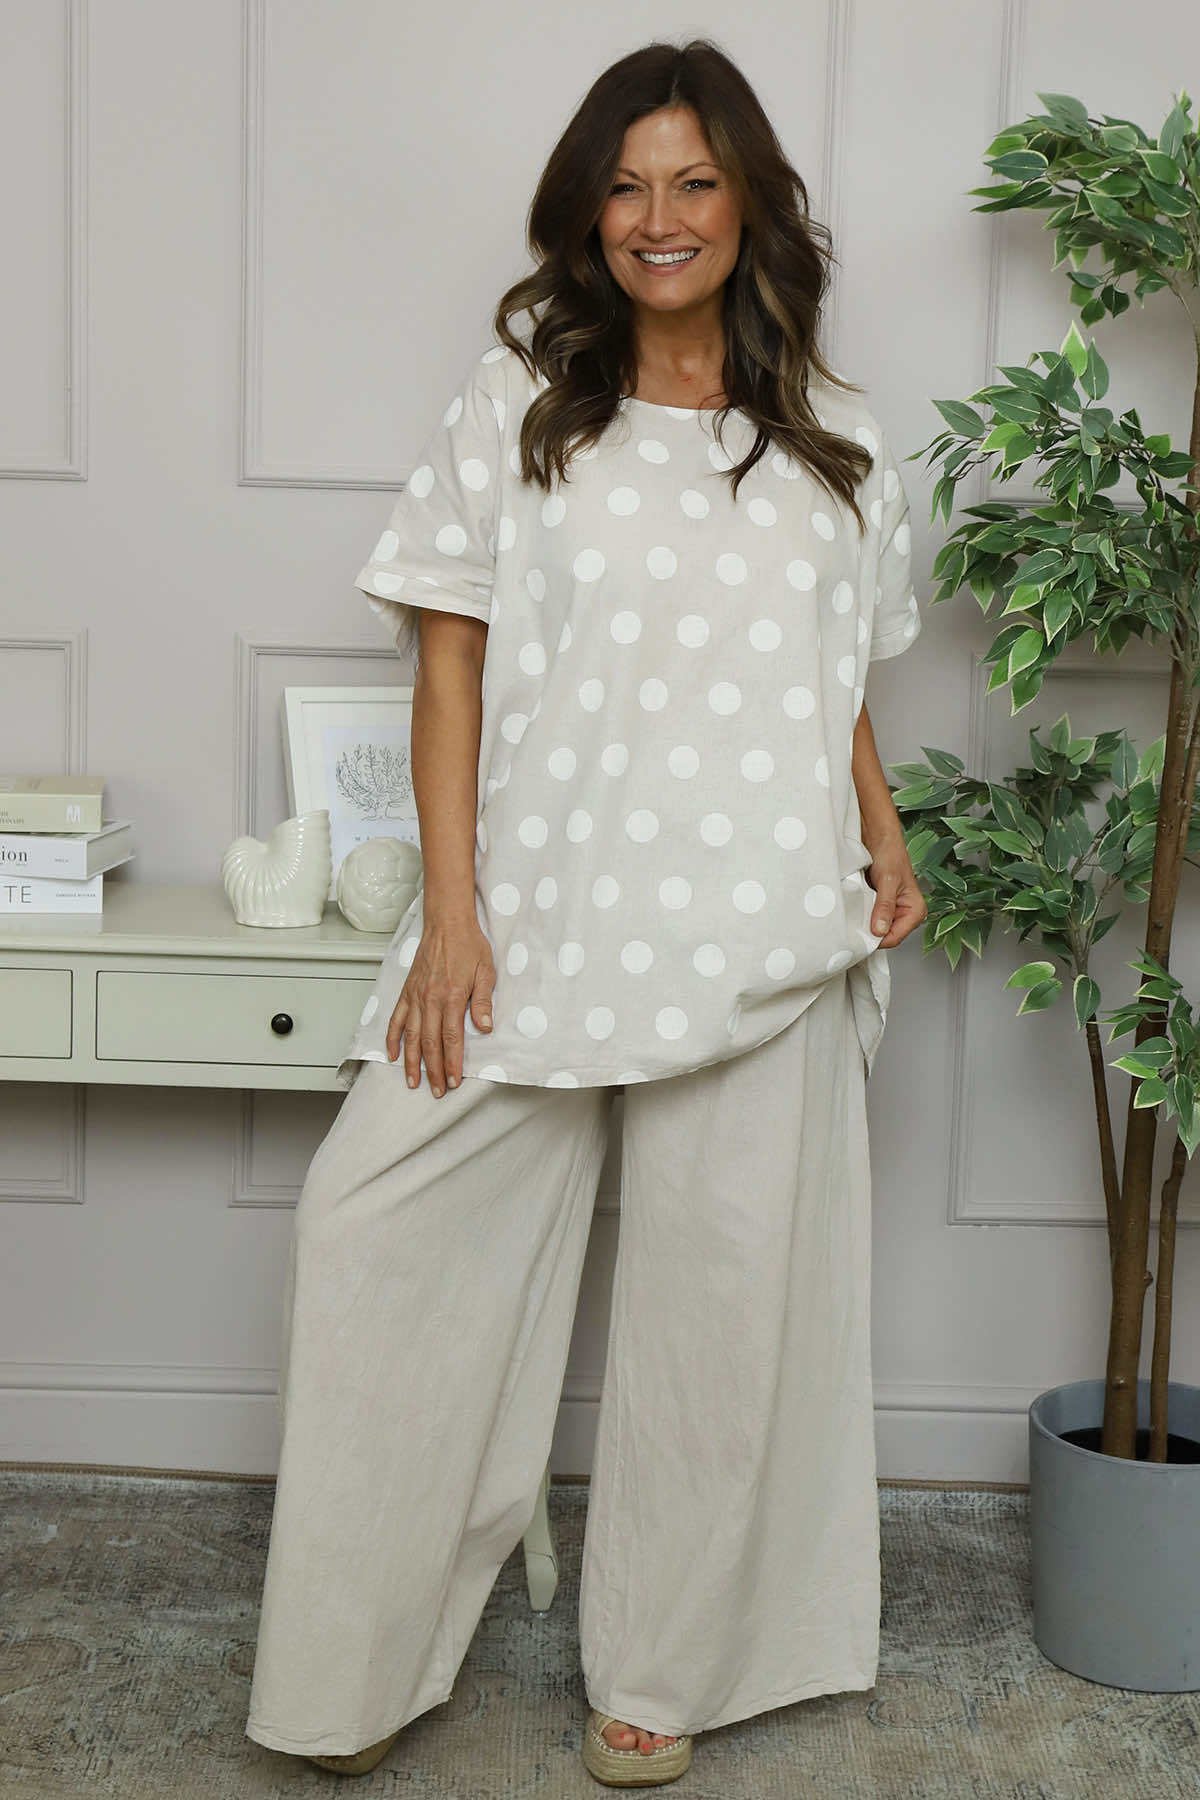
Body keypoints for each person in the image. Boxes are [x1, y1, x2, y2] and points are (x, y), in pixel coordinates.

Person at [244, 35, 926, 1788]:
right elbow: (449, 665)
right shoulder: (520, 403)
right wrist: (451, 918)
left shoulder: (845, 440)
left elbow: (834, 677)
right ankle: (349, 1671)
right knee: (370, 1234)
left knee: (723, 1318)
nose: (658, 215)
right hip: (537, 919)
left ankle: (665, 1671)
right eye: (625, 185)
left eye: (694, 180)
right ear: (585, 212)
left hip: (764, 921)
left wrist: (880, 827)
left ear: (751, 203)